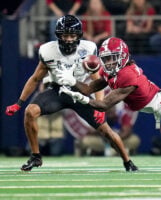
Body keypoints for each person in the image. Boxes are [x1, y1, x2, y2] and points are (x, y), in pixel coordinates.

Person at [5, 15, 137, 172]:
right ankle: (35, 156)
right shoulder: (48, 51)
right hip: (57, 91)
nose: (68, 39)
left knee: (105, 130)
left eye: (72, 35)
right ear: (58, 35)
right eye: (65, 35)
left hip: (79, 93)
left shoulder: (87, 49)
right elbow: (35, 79)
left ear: (78, 36)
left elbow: (98, 81)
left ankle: (128, 162)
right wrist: (19, 103)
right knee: (30, 112)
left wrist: (100, 106)